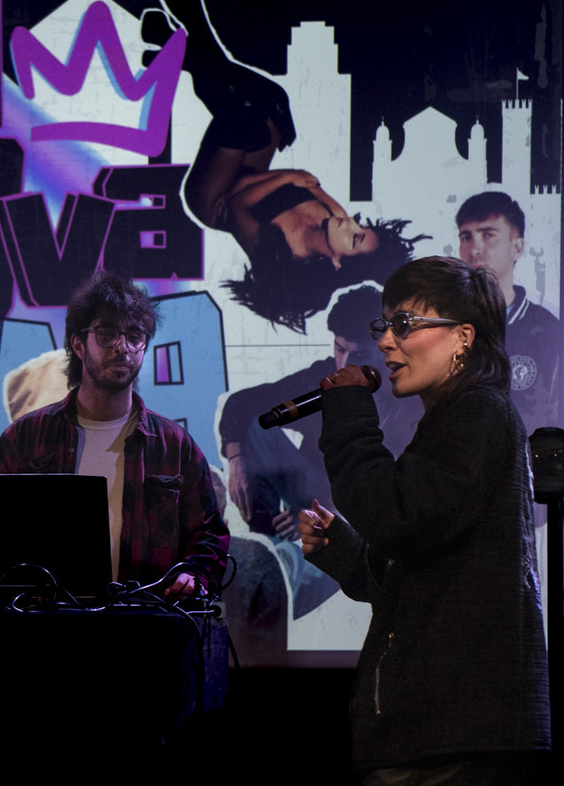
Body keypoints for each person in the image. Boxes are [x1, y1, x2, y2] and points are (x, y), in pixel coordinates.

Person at [297, 256, 549, 780]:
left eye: (405, 324)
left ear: (463, 337)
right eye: (385, 326)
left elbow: (398, 518)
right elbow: (426, 568)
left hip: (456, 730)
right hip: (444, 728)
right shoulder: (459, 417)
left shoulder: (479, 412)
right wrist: (344, 549)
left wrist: (347, 413)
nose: (387, 342)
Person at [142, 0, 425, 332]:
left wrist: (288, 176)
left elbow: (238, 203)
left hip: (213, 197)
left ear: (337, 262)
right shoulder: (336, 218)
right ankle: (182, 41)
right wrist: (288, 176)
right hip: (249, 176)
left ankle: (182, 17)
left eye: (355, 238)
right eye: (362, 228)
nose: (350, 223)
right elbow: (303, 183)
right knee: (274, 101)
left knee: (240, 116)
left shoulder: (282, 255)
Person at [0, 271, 229, 596]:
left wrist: (194, 574)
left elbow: (209, 535)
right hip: (45, 617)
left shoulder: (174, 445)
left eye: (134, 336)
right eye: (107, 334)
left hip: (144, 616)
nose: (122, 347)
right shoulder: (24, 439)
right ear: (78, 344)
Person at [219, 286, 421, 617]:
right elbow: (243, 403)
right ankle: (270, 544)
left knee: (337, 539)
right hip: (312, 489)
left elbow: (388, 491)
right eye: (339, 349)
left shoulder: (403, 392)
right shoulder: (323, 375)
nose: (344, 362)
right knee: (257, 425)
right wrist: (236, 460)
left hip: (358, 511)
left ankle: (288, 567)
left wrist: (316, 512)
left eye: (357, 354)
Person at [456, 190, 559, 434]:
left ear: (517, 248)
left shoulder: (549, 330)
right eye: (466, 237)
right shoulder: (445, 323)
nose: (475, 249)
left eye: (488, 235)